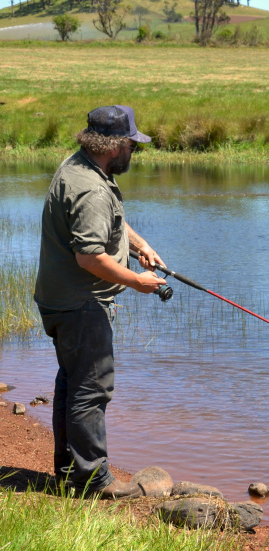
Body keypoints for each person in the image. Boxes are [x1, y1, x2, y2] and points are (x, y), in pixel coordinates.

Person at [34, 105, 167, 499]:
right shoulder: (91, 189)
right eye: (132, 145)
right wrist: (138, 281)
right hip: (80, 304)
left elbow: (108, 222)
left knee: (72, 384)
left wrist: (139, 246)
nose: (134, 152)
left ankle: (69, 472)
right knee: (91, 389)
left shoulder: (80, 166)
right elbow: (89, 258)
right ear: (114, 146)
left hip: (62, 299)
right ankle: (94, 481)